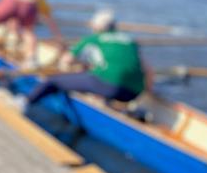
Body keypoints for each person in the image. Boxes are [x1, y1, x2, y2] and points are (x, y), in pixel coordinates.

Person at [12, 9, 153, 113]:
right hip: (134, 93)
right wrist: (145, 94)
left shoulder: (94, 39)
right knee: (100, 76)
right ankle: (111, 102)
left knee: (53, 80)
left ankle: (23, 102)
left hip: (109, 87)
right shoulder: (130, 41)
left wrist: (70, 69)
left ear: (97, 27)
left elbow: (66, 61)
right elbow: (149, 71)